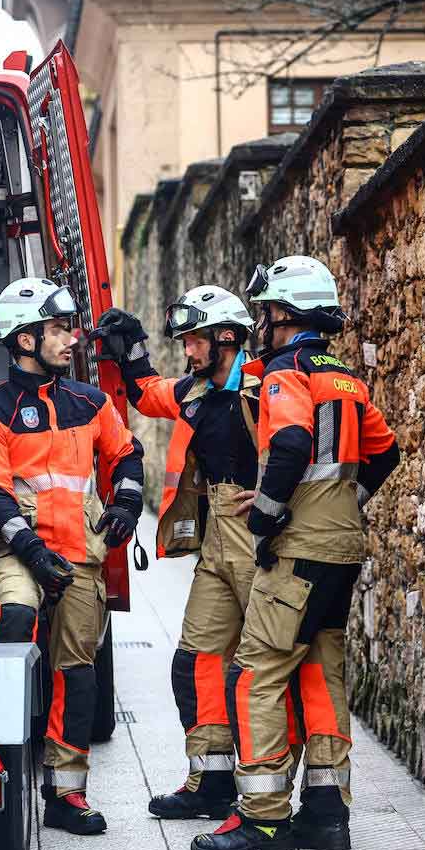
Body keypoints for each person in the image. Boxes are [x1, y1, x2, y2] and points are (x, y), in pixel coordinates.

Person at [191, 255, 400, 850]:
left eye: (267, 311)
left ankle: (263, 819)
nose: (262, 321)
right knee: (321, 671)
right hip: (342, 548)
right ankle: (328, 814)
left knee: (255, 673)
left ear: (285, 312)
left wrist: (268, 515)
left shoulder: (286, 371)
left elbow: (288, 441)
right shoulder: (345, 376)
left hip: (300, 553)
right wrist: (338, 500)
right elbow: (384, 452)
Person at [0, 277, 145, 836]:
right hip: (22, 556)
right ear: (24, 340)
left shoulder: (91, 402)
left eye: (69, 327)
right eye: (58, 329)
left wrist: (128, 506)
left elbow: (127, 454)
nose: (72, 339)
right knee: (13, 622)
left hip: (79, 559)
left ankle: (66, 793)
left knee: (78, 672)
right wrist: (31, 550)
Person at [93, 285, 277, 820]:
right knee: (193, 661)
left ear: (227, 337)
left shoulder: (268, 385)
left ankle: (291, 795)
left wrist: (274, 500)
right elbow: (149, 394)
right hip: (217, 540)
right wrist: (131, 352)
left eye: (194, 341)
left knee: (261, 668)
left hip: (259, 535)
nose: (188, 351)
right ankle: (211, 780)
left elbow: (307, 446)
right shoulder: (196, 391)